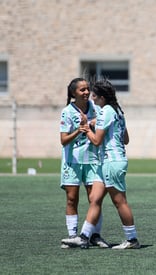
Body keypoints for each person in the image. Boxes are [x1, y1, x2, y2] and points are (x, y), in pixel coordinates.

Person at [62, 79, 140, 249]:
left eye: (94, 95)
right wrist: (93, 124)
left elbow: (96, 141)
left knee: (120, 202)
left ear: (102, 97)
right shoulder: (118, 111)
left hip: (112, 161)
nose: (92, 98)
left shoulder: (105, 111)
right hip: (106, 162)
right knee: (95, 199)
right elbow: (126, 139)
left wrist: (87, 128)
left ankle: (132, 239)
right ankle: (83, 237)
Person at [59, 77, 109, 248]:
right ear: (74, 93)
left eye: (88, 89)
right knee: (72, 199)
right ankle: (73, 235)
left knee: (94, 199)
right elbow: (63, 140)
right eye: (82, 90)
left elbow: (104, 121)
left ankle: (95, 235)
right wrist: (79, 130)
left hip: (93, 160)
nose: (87, 92)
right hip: (72, 161)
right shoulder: (67, 112)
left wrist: (92, 122)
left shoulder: (95, 108)